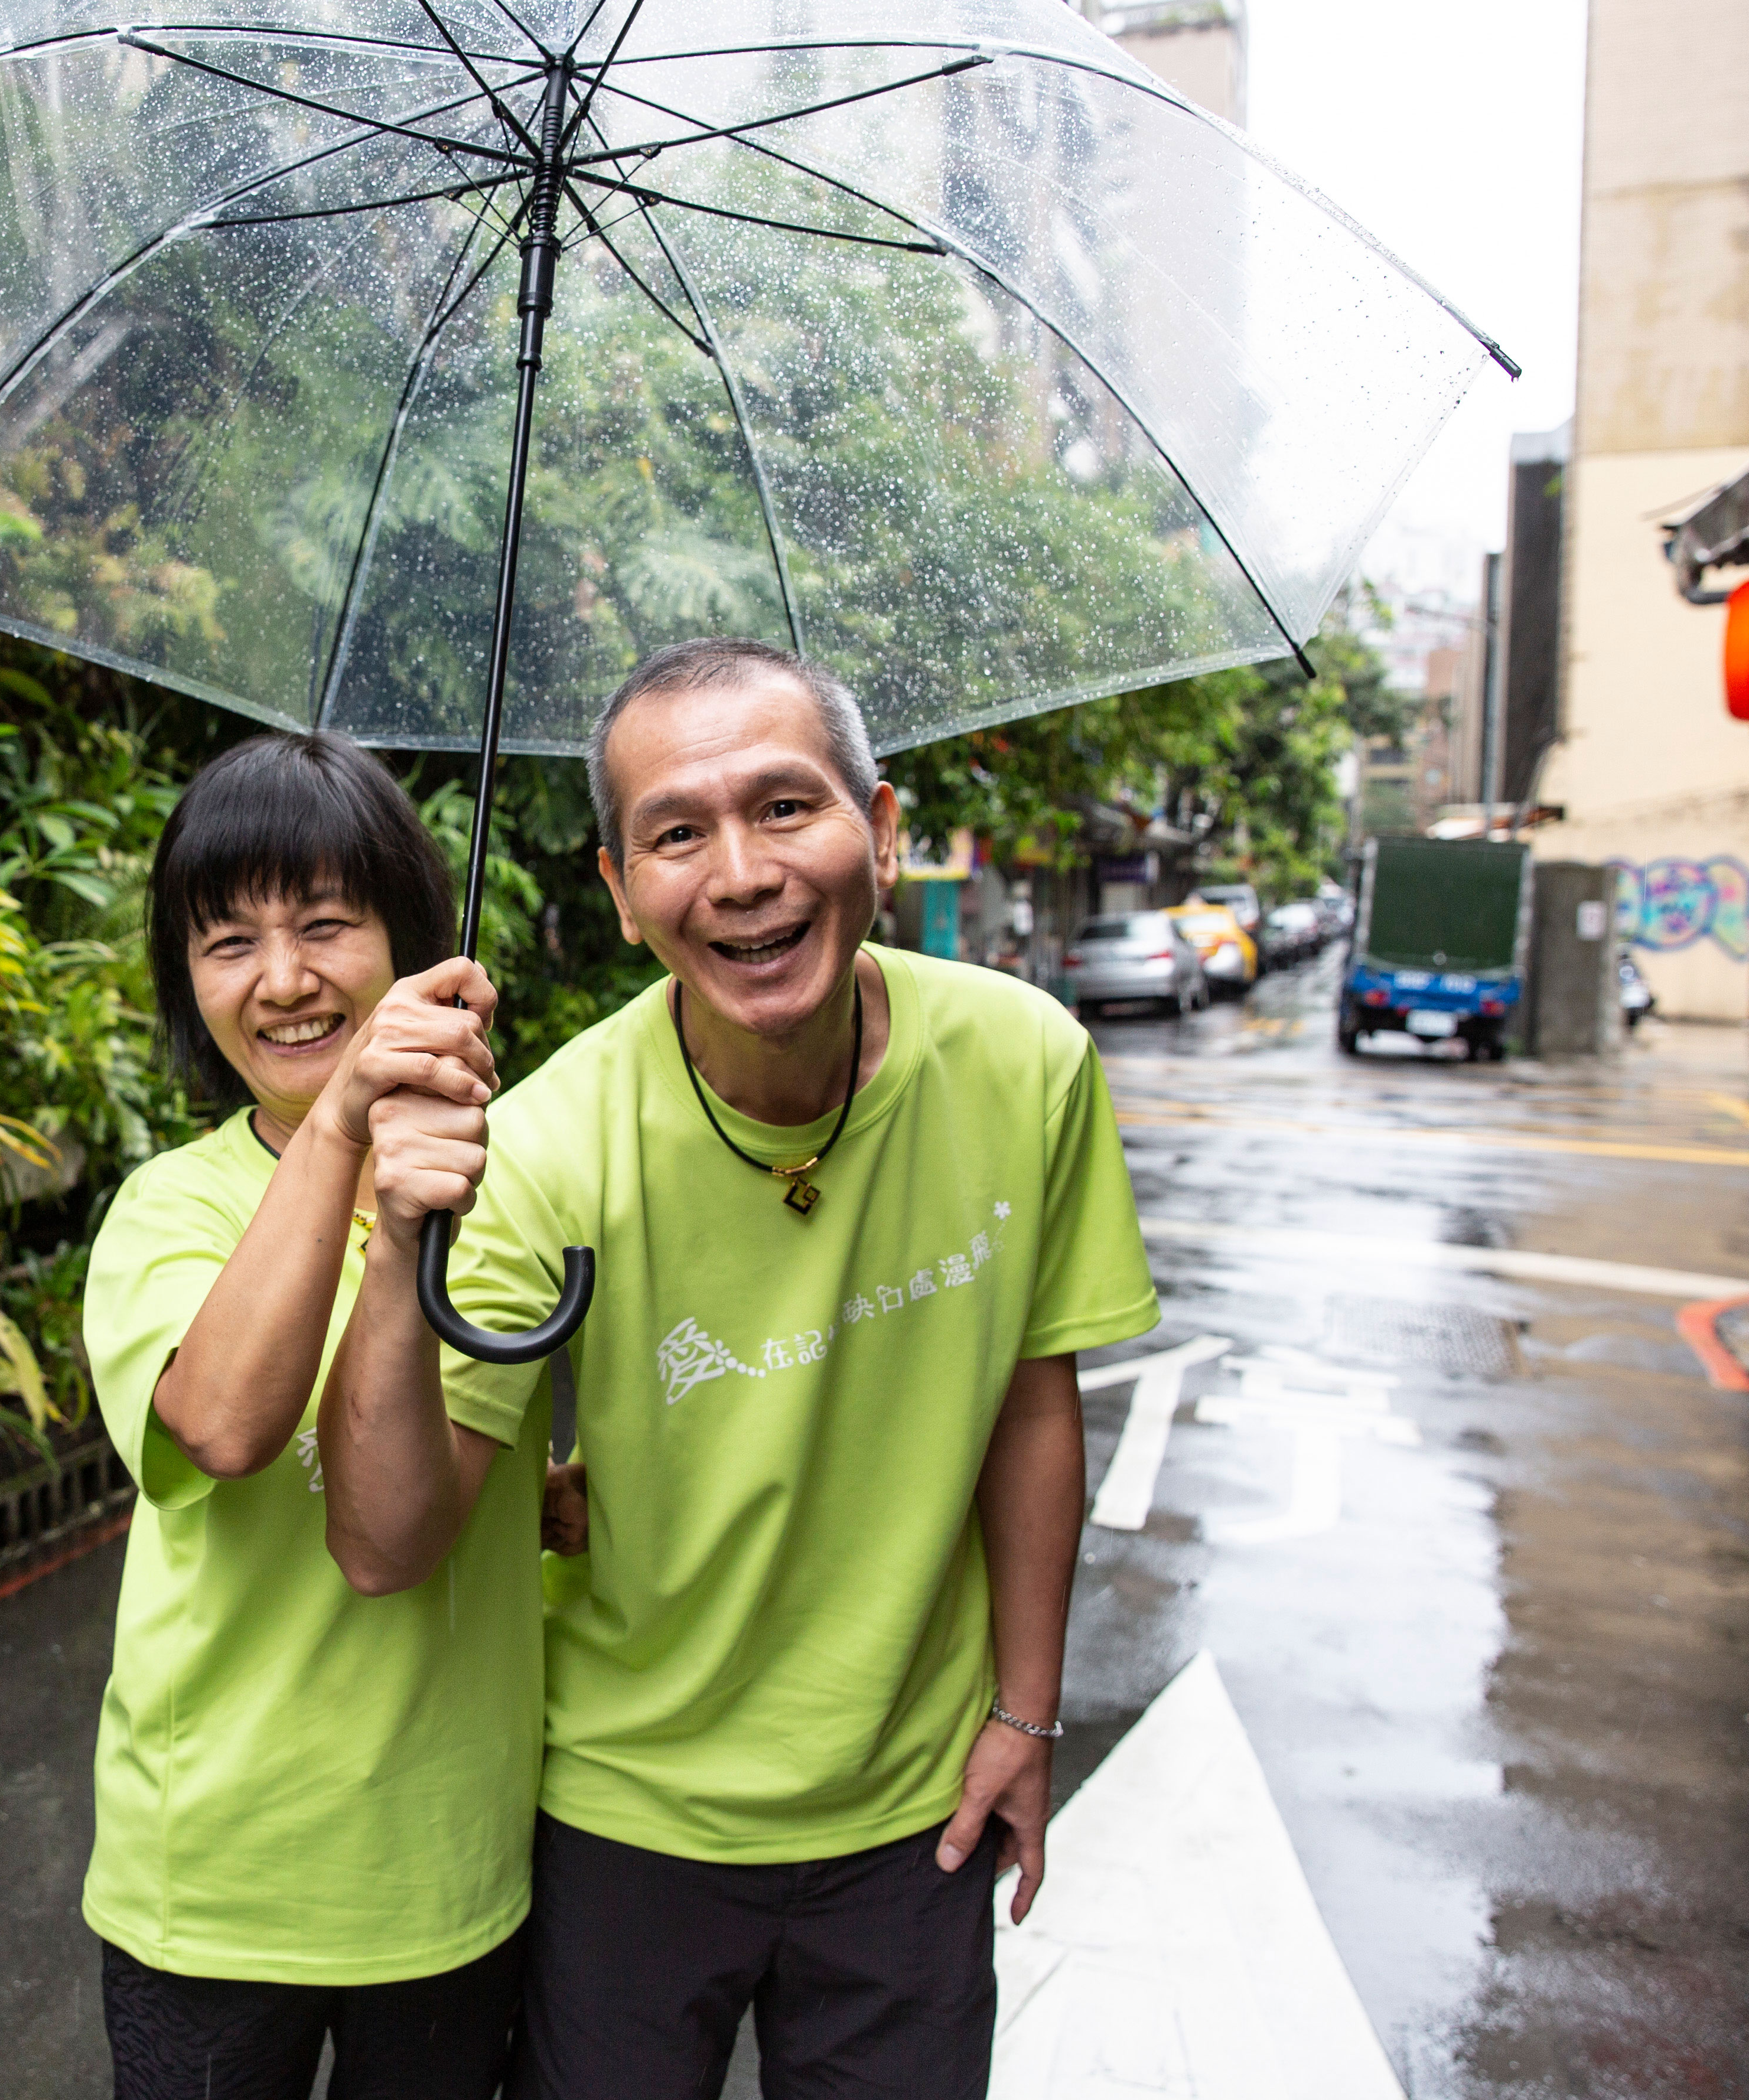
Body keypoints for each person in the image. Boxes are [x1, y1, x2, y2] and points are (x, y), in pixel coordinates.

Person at [320, 638, 1161, 2097]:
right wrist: (397, 1240)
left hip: (916, 1816)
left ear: (883, 833)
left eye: (786, 807)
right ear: (622, 895)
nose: (742, 871)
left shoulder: (1029, 1062)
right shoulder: (551, 1136)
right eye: (678, 833)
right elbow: (389, 1538)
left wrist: (1029, 1709)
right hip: (628, 1817)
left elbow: (1033, 1395)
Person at [79, 731, 541, 2100]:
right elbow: (220, 1424)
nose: (282, 979)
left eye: (328, 924)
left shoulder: (506, 1196)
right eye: (227, 942)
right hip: (210, 1882)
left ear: (412, 940)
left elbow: (401, 1529)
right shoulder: (166, 1207)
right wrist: (344, 1124)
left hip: (444, 1872)